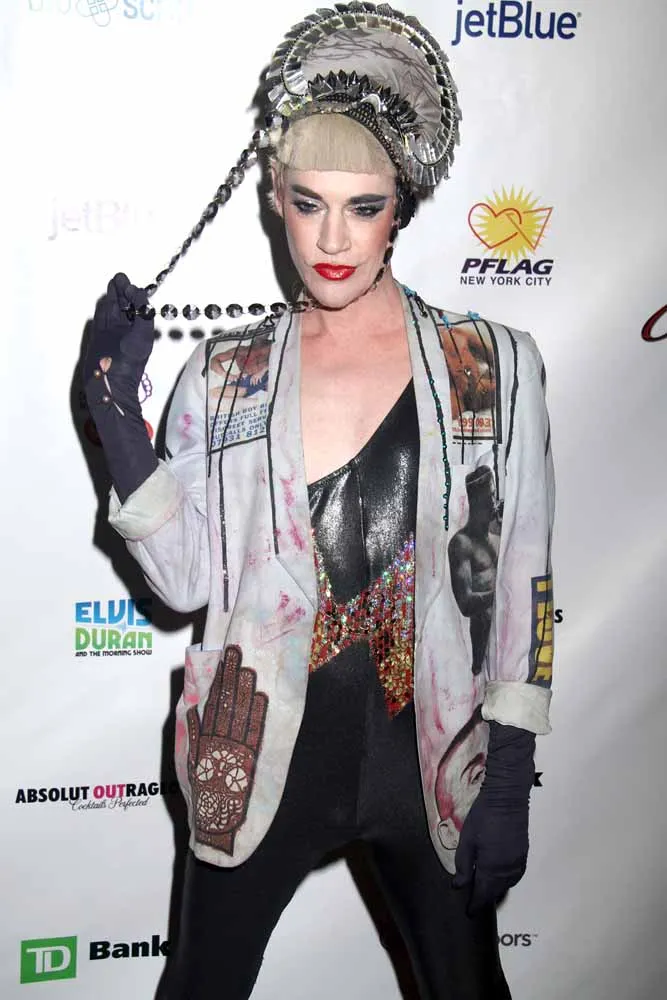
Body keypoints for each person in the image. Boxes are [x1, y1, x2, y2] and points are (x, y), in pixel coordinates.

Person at [83, 5, 555, 998]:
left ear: (400, 208)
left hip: (435, 762)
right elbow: (181, 583)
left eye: (363, 207)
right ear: (274, 198)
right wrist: (116, 417)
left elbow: (519, 568)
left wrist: (509, 763)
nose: (333, 238)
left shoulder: (489, 365)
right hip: (253, 753)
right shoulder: (226, 374)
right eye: (308, 204)